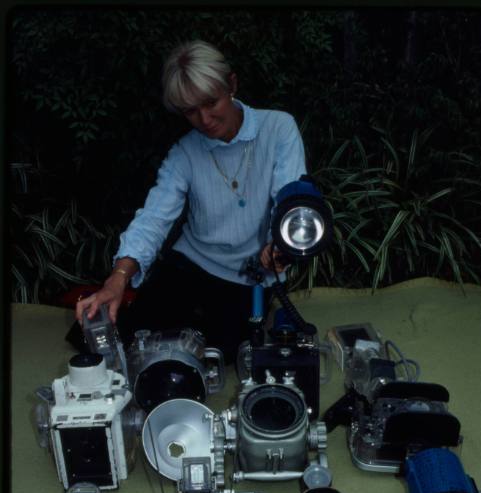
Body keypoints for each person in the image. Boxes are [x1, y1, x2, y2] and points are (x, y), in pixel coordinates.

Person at [75, 39, 307, 363]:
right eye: (190, 111)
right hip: (192, 263)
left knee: (221, 355)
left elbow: (290, 197)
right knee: (122, 338)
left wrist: (278, 246)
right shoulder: (185, 151)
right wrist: (118, 277)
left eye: (211, 102)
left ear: (232, 85)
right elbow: (154, 217)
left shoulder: (278, 128)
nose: (205, 119)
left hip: (252, 273)